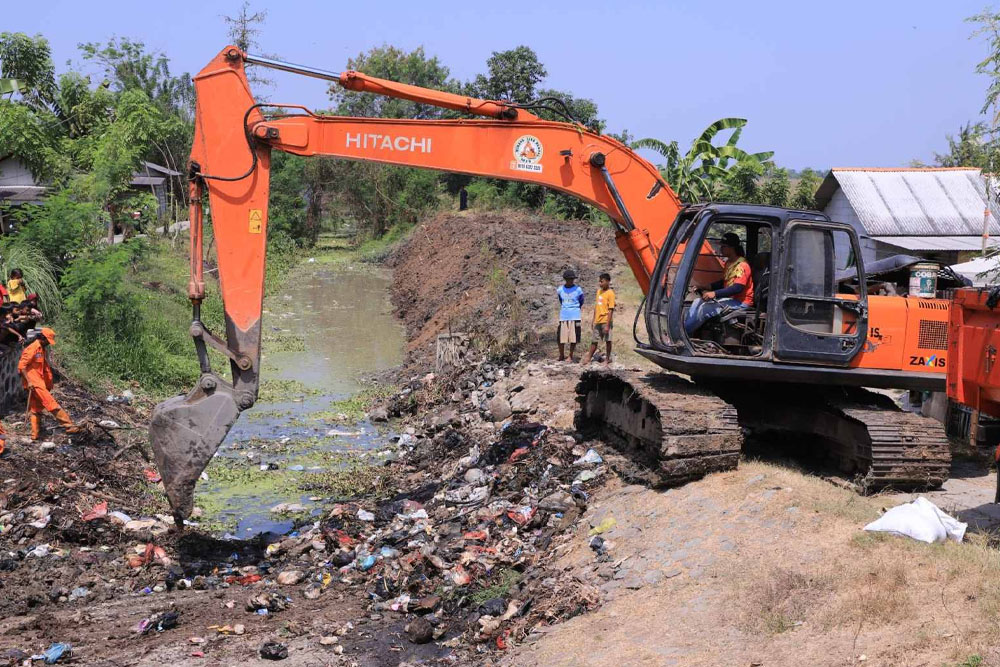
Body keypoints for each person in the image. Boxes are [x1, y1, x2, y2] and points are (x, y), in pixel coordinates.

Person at [684, 232, 755, 336]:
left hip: (741, 302)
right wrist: (706, 287)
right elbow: (724, 282)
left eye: (723, 246)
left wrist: (714, 294)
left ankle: (684, 335)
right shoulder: (729, 263)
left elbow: (737, 288)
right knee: (697, 301)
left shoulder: (742, 265)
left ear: (732, 248)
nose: (721, 249)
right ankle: (685, 329)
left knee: (705, 308)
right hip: (731, 299)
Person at [19, 327, 80, 441]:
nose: (48, 343)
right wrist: (29, 381)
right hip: (34, 384)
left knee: (36, 409)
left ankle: (34, 435)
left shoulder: (41, 349)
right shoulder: (32, 348)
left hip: (39, 383)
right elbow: (21, 366)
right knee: (51, 403)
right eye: (47, 340)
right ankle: (69, 426)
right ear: (42, 338)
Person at [583, 272, 616, 365]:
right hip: (598, 320)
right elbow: (596, 307)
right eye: (599, 281)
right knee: (594, 340)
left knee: (608, 340)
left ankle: (607, 359)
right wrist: (593, 320)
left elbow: (610, 310)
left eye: (602, 281)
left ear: (608, 282)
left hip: (606, 321)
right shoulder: (599, 292)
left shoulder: (611, 293)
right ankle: (588, 358)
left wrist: (607, 325)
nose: (600, 283)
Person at [556, 269, 584, 362]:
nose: (570, 281)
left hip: (575, 316)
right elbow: (561, 300)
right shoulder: (560, 290)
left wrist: (574, 308)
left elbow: (581, 301)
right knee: (561, 337)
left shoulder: (578, 290)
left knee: (574, 337)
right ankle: (561, 355)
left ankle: (570, 356)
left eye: (572, 279)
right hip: (564, 316)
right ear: (565, 279)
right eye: (568, 279)